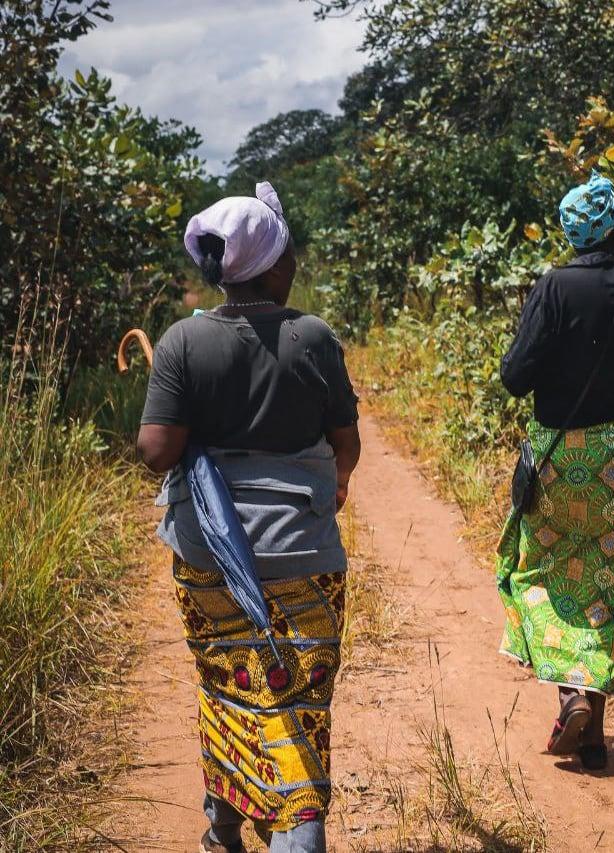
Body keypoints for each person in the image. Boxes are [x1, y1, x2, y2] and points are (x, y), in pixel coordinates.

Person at [137, 182, 360, 853]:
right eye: (288, 253)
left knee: (228, 689)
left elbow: (155, 452)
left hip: (208, 563)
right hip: (306, 562)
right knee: (296, 707)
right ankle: (292, 828)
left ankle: (228, 830)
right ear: (273, 266)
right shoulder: (313, 336)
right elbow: (345, 441)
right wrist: (337, 482)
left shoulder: (182, 342)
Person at [496, 171, 614, 770]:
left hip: (564, 458)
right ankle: (594, 731)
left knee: (546, 573)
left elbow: (515, 376)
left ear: (573, 234)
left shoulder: (552, 287)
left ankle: (573, 695)